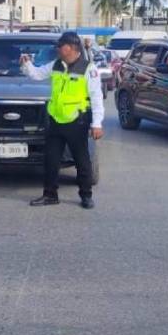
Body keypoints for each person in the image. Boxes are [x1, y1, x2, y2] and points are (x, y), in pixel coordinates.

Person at [20, 31, 105, 209]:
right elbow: (36, 74)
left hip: (77, 121)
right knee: (51, 160)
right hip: (55, 120)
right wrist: (27, 64)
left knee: (82, 160)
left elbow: (96, 98)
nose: (58, 49)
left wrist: (96, 124)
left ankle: (86, 195)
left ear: (71, 47)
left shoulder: (88, 69)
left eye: (61, 46)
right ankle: (50, 195)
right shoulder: (56, 64)